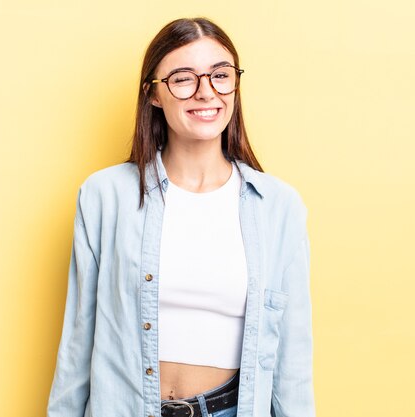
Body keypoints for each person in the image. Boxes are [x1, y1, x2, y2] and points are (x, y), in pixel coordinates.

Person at [47, 17, 315, 417]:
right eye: (183, 78)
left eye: (220, 76)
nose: (206, 92)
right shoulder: (105, 197)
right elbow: (77, 342)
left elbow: (293, 362)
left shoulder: (278, 206)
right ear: (154, 94)